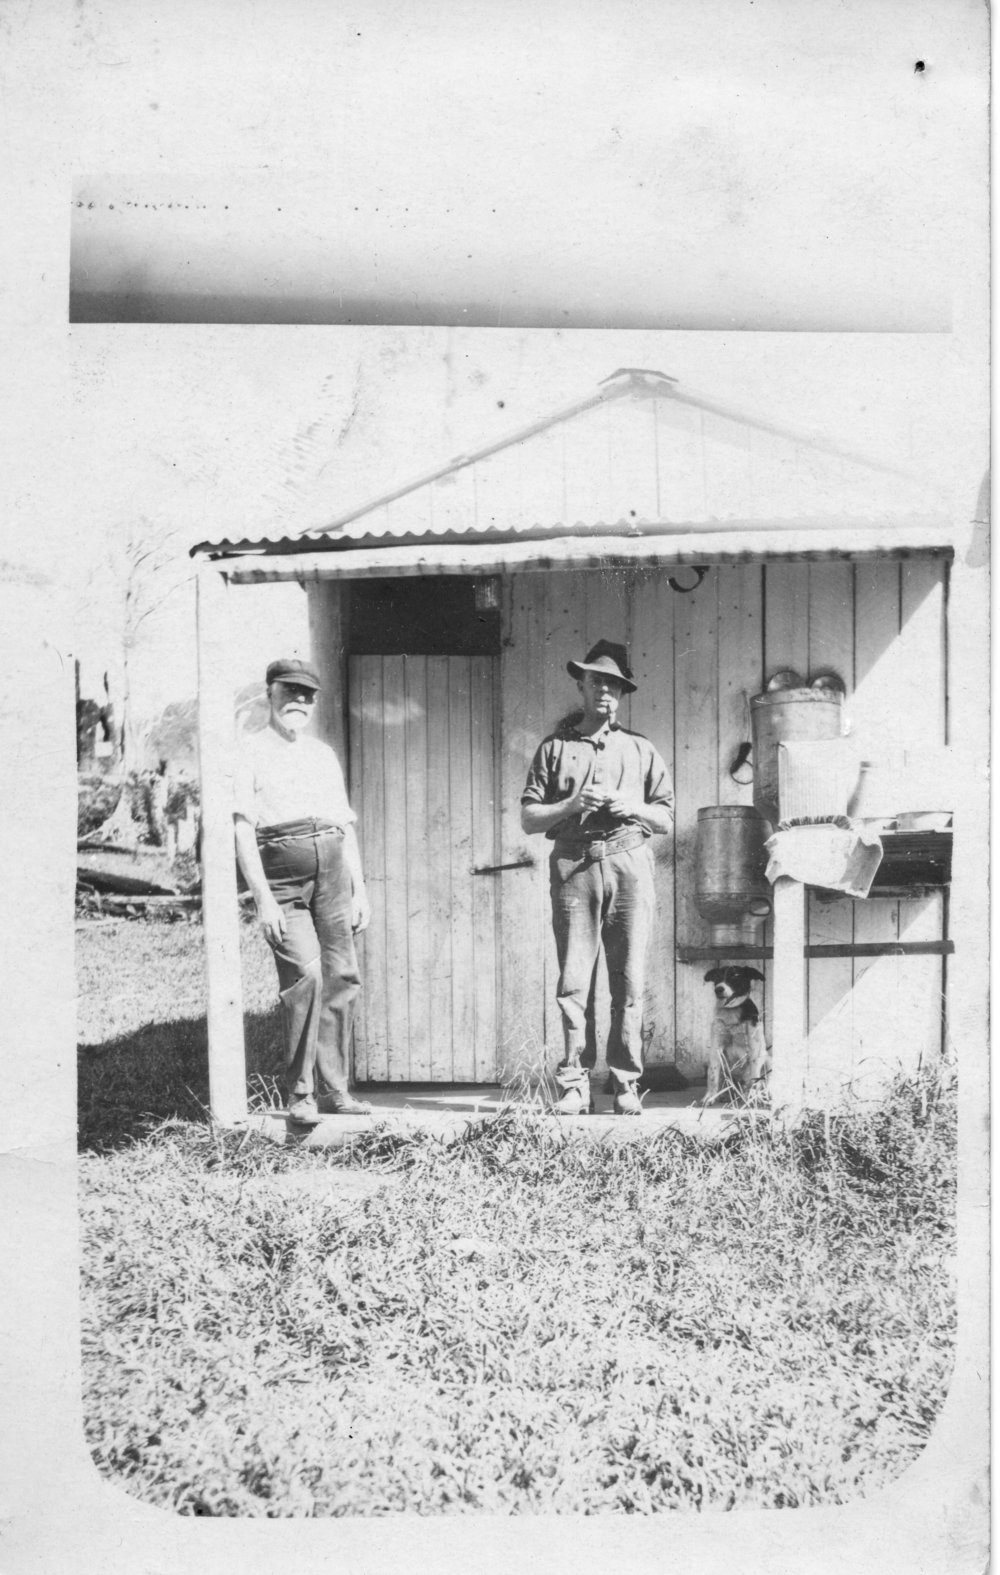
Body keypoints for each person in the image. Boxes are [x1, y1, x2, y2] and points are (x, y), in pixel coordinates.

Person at [520, 640, 674, 1116]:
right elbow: (529, 818)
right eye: (597, 682)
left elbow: (667, 818)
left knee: (628, 980)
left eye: (615, 685)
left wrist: (635, 809)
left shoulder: (641, 749)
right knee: (573, 981)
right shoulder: (555, 748)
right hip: (574, 867)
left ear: (623, 693)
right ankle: (574, 1084)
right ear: (581, 686)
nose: (606, 692)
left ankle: (626, 1082)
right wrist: (570, 806)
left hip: (629, 866)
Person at [233, 658, 373, 1122]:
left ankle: (337, 1091)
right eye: (288, 691)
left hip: (333, 873)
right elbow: (242, 830)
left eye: (307, 695)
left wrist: (360, 889)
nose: (298, 702)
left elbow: (344, 825)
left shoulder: (321, 755)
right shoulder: (249, 750)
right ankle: (300, 1094)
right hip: (283, 881)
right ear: (268, 694)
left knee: (342, 975)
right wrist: (263, 898)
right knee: (305, 976)